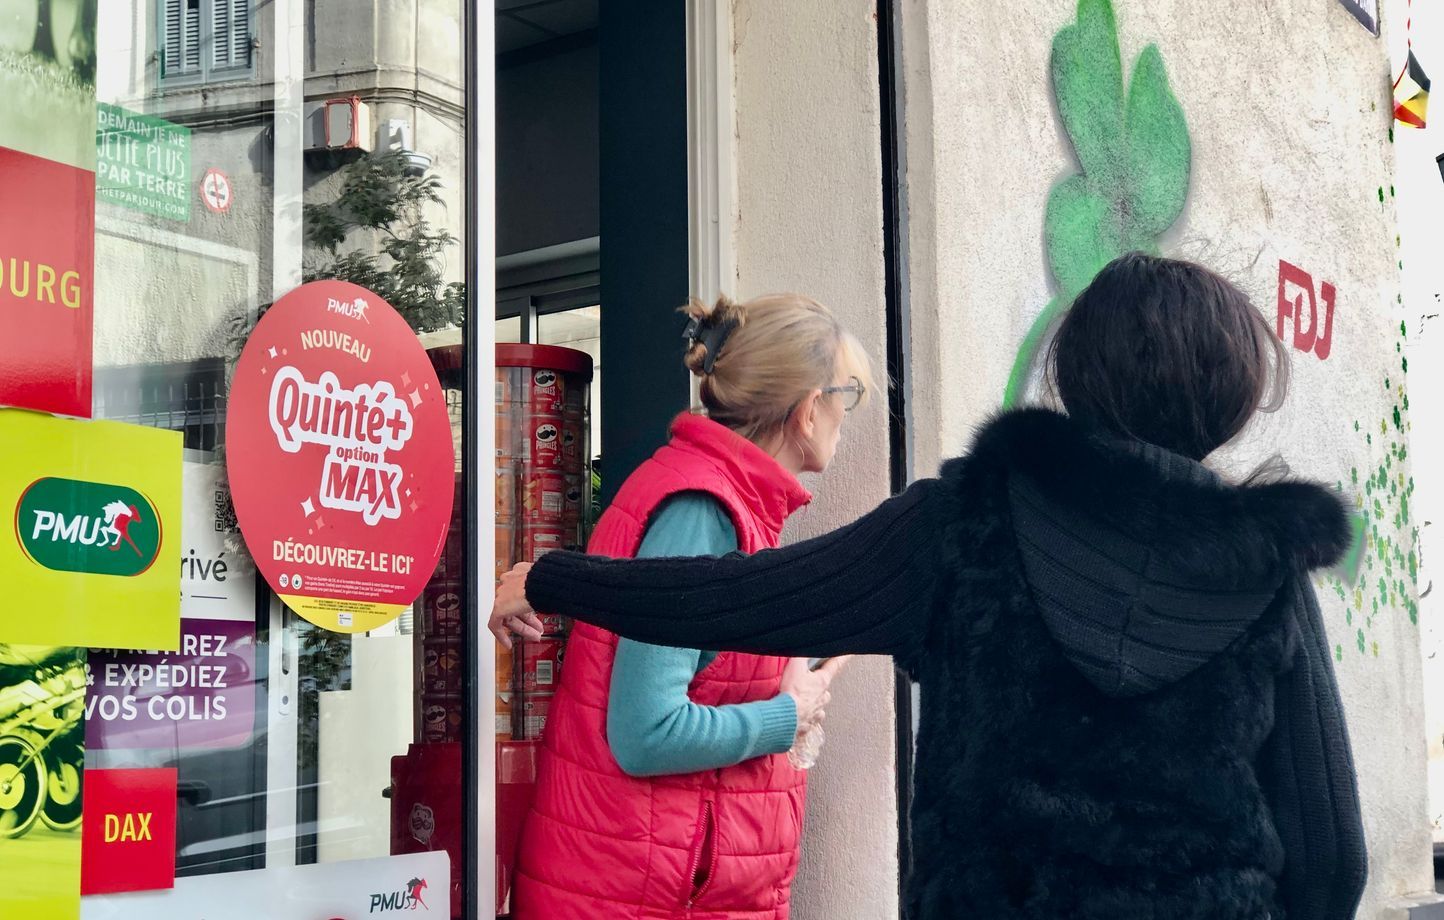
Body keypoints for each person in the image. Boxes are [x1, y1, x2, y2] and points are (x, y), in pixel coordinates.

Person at [495, 253, 1368, 920]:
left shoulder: (963, 524)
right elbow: (1333, 857)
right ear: (1236, 391)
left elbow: (736, 596)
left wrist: (554, 576)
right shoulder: (1267, 571)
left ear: (1080, 376)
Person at [491, 293, 872, 919]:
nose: (844, 417)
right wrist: (789, 715)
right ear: (808, 410)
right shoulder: (703, 513)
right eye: (845, 397)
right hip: (636, 899)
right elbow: (647, 733)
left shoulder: (725, 504)